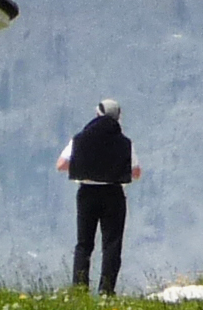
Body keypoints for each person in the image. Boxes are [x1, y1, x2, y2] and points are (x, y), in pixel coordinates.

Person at [56, 98, 142, 295]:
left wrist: (84, 166)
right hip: (113, 194)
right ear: (118, 118)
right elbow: (136, 172)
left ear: (97, 114)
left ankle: (79, 289)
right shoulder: (125, 143)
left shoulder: (79, 139)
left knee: (84, 243)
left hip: (87, 194)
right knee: (112, 244)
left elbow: (61, 164)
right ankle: (106, 291)